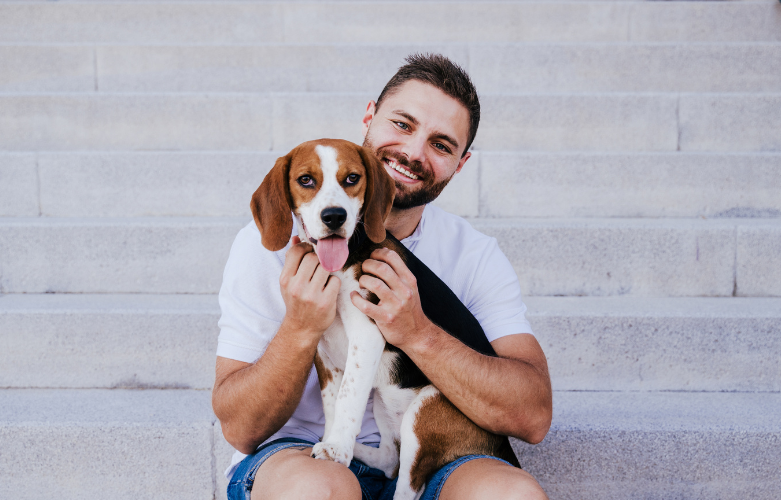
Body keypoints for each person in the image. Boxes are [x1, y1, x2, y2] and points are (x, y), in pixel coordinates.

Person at [212, 53, 552, 500]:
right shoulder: (266, 248)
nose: (413, 153)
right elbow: (238, 427)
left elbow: (533, 416)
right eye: (403, 124)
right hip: (298, 455)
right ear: (370, 116)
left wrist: (418, 334)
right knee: (320, 490)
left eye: (441, 144)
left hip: (436, 457)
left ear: (461, 164)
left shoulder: (474, 255)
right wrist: (299, 328)